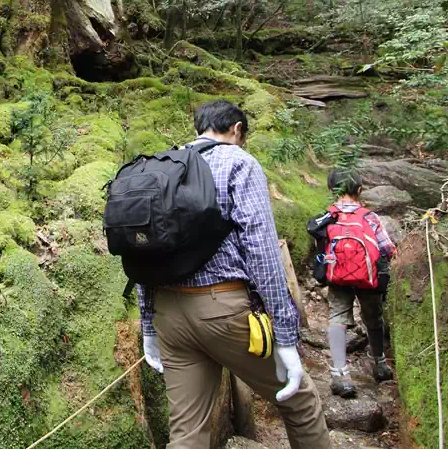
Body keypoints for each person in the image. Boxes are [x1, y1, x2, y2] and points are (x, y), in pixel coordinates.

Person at [138, 100, 330, 449]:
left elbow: (142, 250)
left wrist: (148, 323)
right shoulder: (239, 162)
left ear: (198, 126)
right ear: (237, 130)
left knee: (187, 432)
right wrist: (286, 333)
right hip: (225, 312)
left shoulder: (160, 168)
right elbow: (261, 251)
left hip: (168, 315)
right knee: (300, 401)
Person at [323, 168, 396, 398]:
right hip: (369, 277)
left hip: (337, 278)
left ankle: (340, 375)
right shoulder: (369, 217)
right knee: (373, 317)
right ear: (360, 190)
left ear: (331, 190)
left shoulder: (327, 216)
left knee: (337, 318)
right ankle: (380, 364)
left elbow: (321, 248)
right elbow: (387, 249)